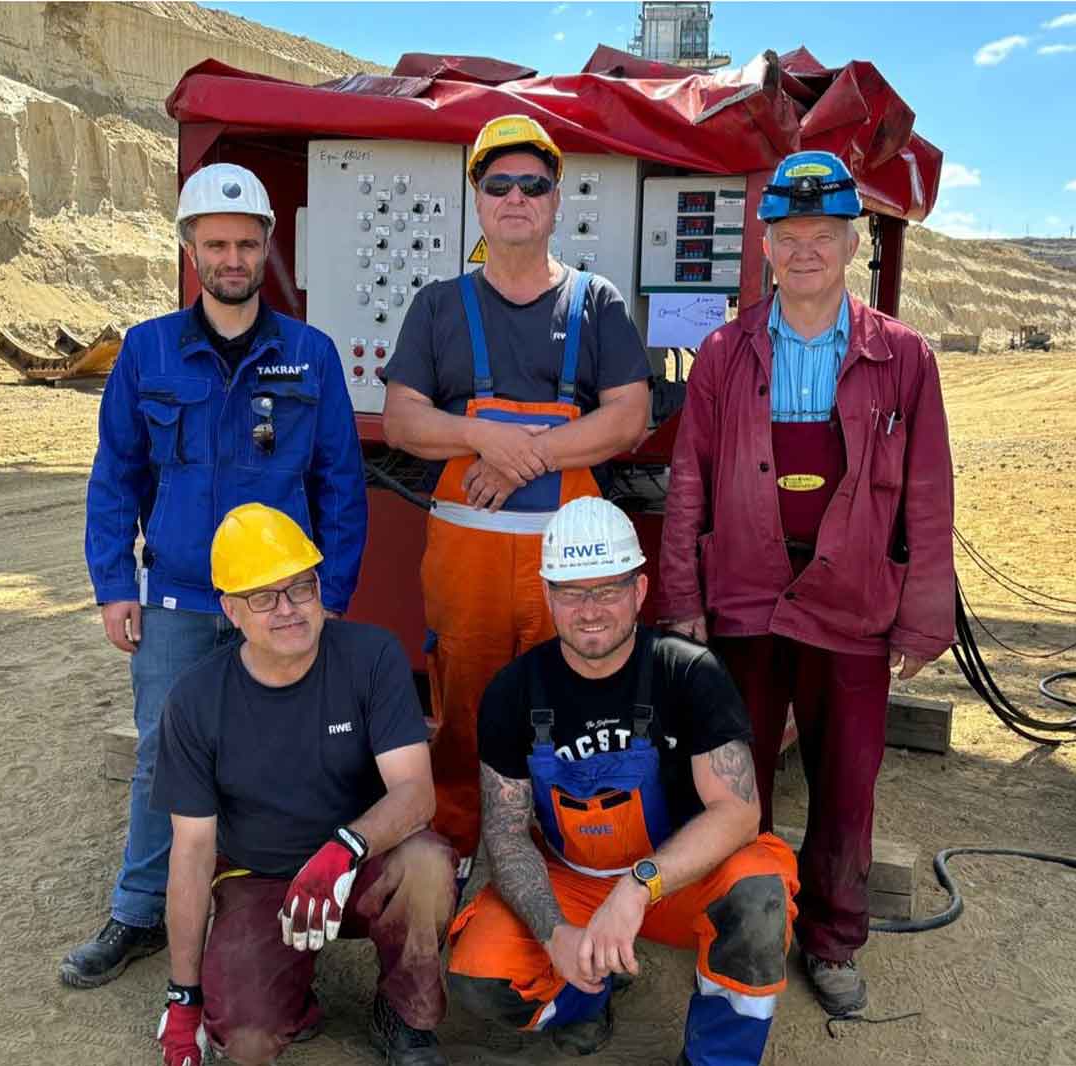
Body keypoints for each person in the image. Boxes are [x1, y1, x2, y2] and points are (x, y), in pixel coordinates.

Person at [657, 150, 955, 1016]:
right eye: (789, 234)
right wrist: (683, 602)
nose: (805, 250)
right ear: (766, 246)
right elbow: (690, 486)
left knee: (846, 778)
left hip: (853, 603)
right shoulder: (724, 352)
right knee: (729, 778)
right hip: (745, 599)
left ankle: (830, 939)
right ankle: (732, 927)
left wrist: (921, 616)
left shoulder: (903, 358)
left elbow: (929, 493)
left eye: (824, 234)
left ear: (852, 243)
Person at [64, 163, 369, 988]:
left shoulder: (308, 355)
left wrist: (329, 596)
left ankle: (296, 905)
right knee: (166, 750)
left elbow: (341, 484)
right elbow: (116, 475)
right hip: (177, 600)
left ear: (267, 246)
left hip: (282, 603)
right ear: (189, 249)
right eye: (215, 244)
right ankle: (138, 911)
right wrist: (113, 584)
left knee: (297, 749)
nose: (232, 257)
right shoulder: (147, 351)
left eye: (245, 242)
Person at [382, 115, 652, 875]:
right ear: (477, 197)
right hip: (464, 567)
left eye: (533, 184)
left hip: (569, 572)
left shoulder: (595, 304)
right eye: (498, 183)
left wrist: (520, 455)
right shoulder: (438, 307)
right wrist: (482, 440)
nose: (516, 197)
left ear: (556, 199)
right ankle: (463, 841)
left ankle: (564, 848)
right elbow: (403, 419)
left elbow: (628, 417)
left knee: (569, 703)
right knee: (465, 707)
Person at [447, 498, 798, 1065]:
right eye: (571, 591)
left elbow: (737, 813)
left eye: (608, 589)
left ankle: (718, 1058)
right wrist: (553, 932)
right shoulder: (512, 692)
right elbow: (507, 833)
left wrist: (639, 886)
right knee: (481, 980)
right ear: (547, 595)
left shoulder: (688, 673)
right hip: (574, 881)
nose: (590, 611)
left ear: (639, 591)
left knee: (758, 898)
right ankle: (589, 992)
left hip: (680, 879)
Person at [151, 504, 455, 1066]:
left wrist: (346, 846)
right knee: (245, 1042)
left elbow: (416, 794)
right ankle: (289, 997)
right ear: (231, 611)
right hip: (260, 878)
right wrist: (183, 996)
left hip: (362, 864)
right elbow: (191, 854)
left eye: (301, 587)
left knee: (428, 864)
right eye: (264, 597)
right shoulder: (195, 701)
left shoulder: (373, 656)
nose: (289, 609)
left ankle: (406, 1014)